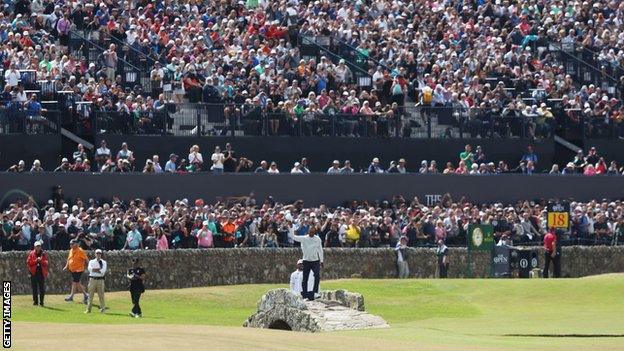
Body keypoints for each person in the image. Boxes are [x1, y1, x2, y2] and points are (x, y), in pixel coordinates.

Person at [293, 226, 323, 300]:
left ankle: (315, 293)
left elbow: (320, 250)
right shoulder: (304, 238)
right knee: (305, 279)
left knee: (317, 276)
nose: (311, 233)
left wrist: (321, 260)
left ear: (315, 232)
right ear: (308, 231)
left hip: (315, 261)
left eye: (313, 232)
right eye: (310, 232)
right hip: (306, 261)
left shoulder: (317, 239)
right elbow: (294, 237)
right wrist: (290, 228)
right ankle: (305, 296)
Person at [85, 249, 108, 313]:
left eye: (99, 253)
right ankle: (88, 309)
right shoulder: (91, 262)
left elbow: (103, 271)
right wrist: (98, 270)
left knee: (101, 295)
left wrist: (95, 270)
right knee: (90, 295)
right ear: (95, 254)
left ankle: (103, 309)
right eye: (97, 253)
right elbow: (90, 269)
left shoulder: (103, 262)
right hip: (92, 279)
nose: (98, 255)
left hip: (100, 280)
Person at [26, 241, 48, 306]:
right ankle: (35, 302)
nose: (38, 247)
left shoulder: (43, 254)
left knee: (42, 289)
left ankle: (41, 302)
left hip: (41, 273)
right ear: (34, 247)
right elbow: (28, 262)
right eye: (37, 246)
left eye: (39, 246)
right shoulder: (31, 253)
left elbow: (46, 263)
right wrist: (36, 261)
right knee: (34, 288)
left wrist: (40, 260)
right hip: (34, 273)